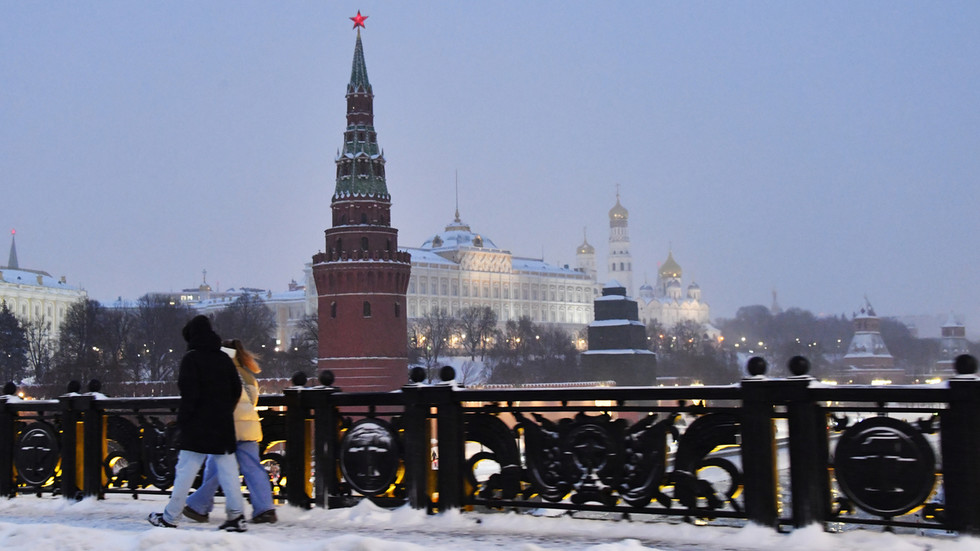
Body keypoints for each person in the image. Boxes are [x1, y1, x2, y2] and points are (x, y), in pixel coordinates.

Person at [147, 315, 247, 532]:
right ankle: (237, 516)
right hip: (222, 425)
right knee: (229, 472)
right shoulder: (223, 358)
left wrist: (183, 421)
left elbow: (189, 395)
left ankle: (170, 517)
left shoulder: (191, 359)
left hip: (198, 427)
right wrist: (223, 410)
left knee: (185, 472)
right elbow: (236, 390)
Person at [183, 339, 278, 524]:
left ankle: (198, 506)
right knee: (253, 469)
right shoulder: (248, 375)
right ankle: (265, 508)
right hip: (249, 428)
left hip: (225, 427)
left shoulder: (217, 372)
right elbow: (252, 402)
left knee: (216, 467)